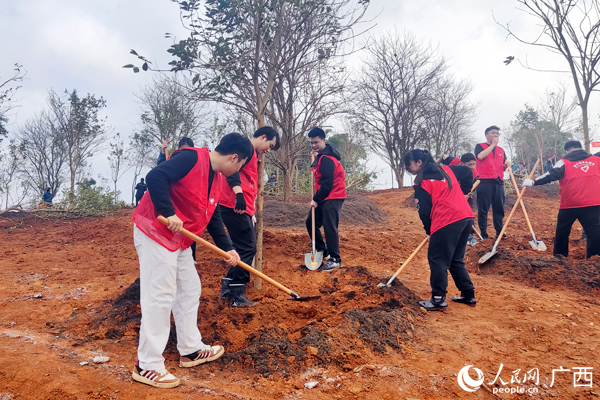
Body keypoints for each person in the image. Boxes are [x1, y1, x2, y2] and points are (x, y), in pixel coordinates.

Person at [131, 132, 253, 389]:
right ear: (234, 158)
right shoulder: (191, 158)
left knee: (189, 289)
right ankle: (148, 364)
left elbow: (213, 216)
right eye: (241, 164)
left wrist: (228, 249)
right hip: (155, 230)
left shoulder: (217, 179)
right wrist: (168, 212)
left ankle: (190, 349)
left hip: (179, 239)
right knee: (160, 294)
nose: (239, 168)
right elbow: (155, 176)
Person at [404, 149, 476, 311]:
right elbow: (466, 170)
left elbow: (423, 211)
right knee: (456, 258)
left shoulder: (421, 181)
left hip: (447, 220)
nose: (408, 167)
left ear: (419, 163)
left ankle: (438, 298)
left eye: (409, 164)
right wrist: (464, 191)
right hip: (465, 217)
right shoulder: (447, 169)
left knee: (437, 258)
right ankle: (468, 293)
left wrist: (429, 231)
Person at [219, 126, 280, 307]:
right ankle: (237, 294)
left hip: (240, 207)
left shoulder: (252, 154)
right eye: (270, 144)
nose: (268, 150)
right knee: (247, 248)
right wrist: (239, 195)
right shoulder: (245, 148)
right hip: (235, 206)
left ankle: (228, 285)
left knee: (240, 248)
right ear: (263, 136)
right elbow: (231, 171)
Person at [523, 140, 600, 258]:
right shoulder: (596, 160)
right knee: (594, 232)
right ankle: (595, 258)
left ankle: (560, 257)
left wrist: (533, 182)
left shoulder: (564, 162)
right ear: (581, 148)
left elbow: (551, 175)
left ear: (567, 151)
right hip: (593, 203)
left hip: (570, 204)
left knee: (562, 232)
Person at [306, 127, 347, 271]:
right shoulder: (322, 156)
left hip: (333, 195)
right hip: (325, 196)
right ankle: (323, 252)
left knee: (329, 226)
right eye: (311, 143)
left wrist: (316, 199)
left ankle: (336, 259)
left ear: (323, 140)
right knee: (311, 222)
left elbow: (327, 183)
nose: (313, 145)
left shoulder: (327, 159)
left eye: (316, 142)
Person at [475, 125, 510, 239]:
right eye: (493, 133)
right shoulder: (480, 146)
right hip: (484, 181)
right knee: (483, 209)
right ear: (486, 135)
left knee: (499, 208)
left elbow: (502, 165)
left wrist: (506, 165)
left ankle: (499, 232)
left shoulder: (501, 150)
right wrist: (493, 145)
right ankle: (483, 233)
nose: (496, 135)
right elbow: (480, 156)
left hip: (498, 181)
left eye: (497, 133)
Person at [460, 153, 479, 246]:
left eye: (473, 164)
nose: (472, 166)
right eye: (469, 164)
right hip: (456, 195)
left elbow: (474, 185)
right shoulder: (456, 171)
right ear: (462, 163)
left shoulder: (474, 173)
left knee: (469, 213)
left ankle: (471, 236)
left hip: (469, 195)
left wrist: (467, 194)